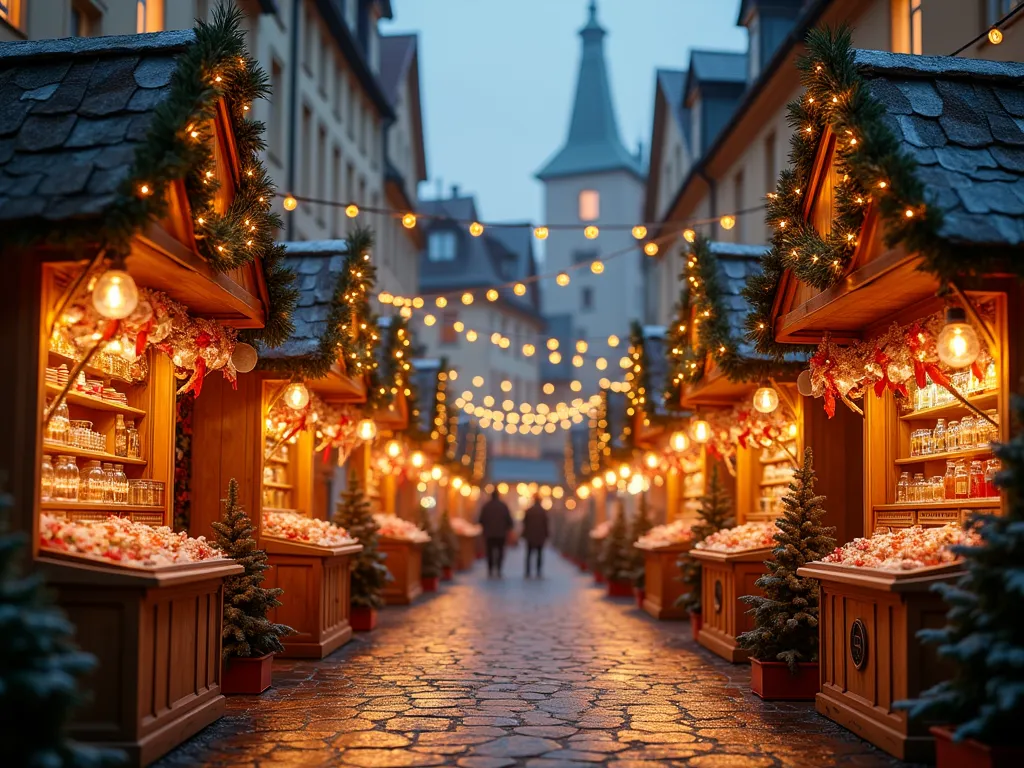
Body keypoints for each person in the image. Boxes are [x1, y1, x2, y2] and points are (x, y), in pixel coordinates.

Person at [478, 489, 513, 577]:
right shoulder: (503, 506)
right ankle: (498, 569)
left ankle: (490, 569)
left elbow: (481, 520)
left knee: (489, 552)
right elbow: (509, 521)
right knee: (500, 552)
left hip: (489, 534)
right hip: (501, 534)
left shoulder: (486, 506)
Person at [522, 495, 549, 578]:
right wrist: (546, 534)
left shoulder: (529, 511)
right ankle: (538, 571)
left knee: (529, 554)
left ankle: (527, 571)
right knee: (539, 554)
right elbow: (545, 524)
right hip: (540, 536)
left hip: (530, 536)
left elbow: (524, 522)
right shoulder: (543, 511)